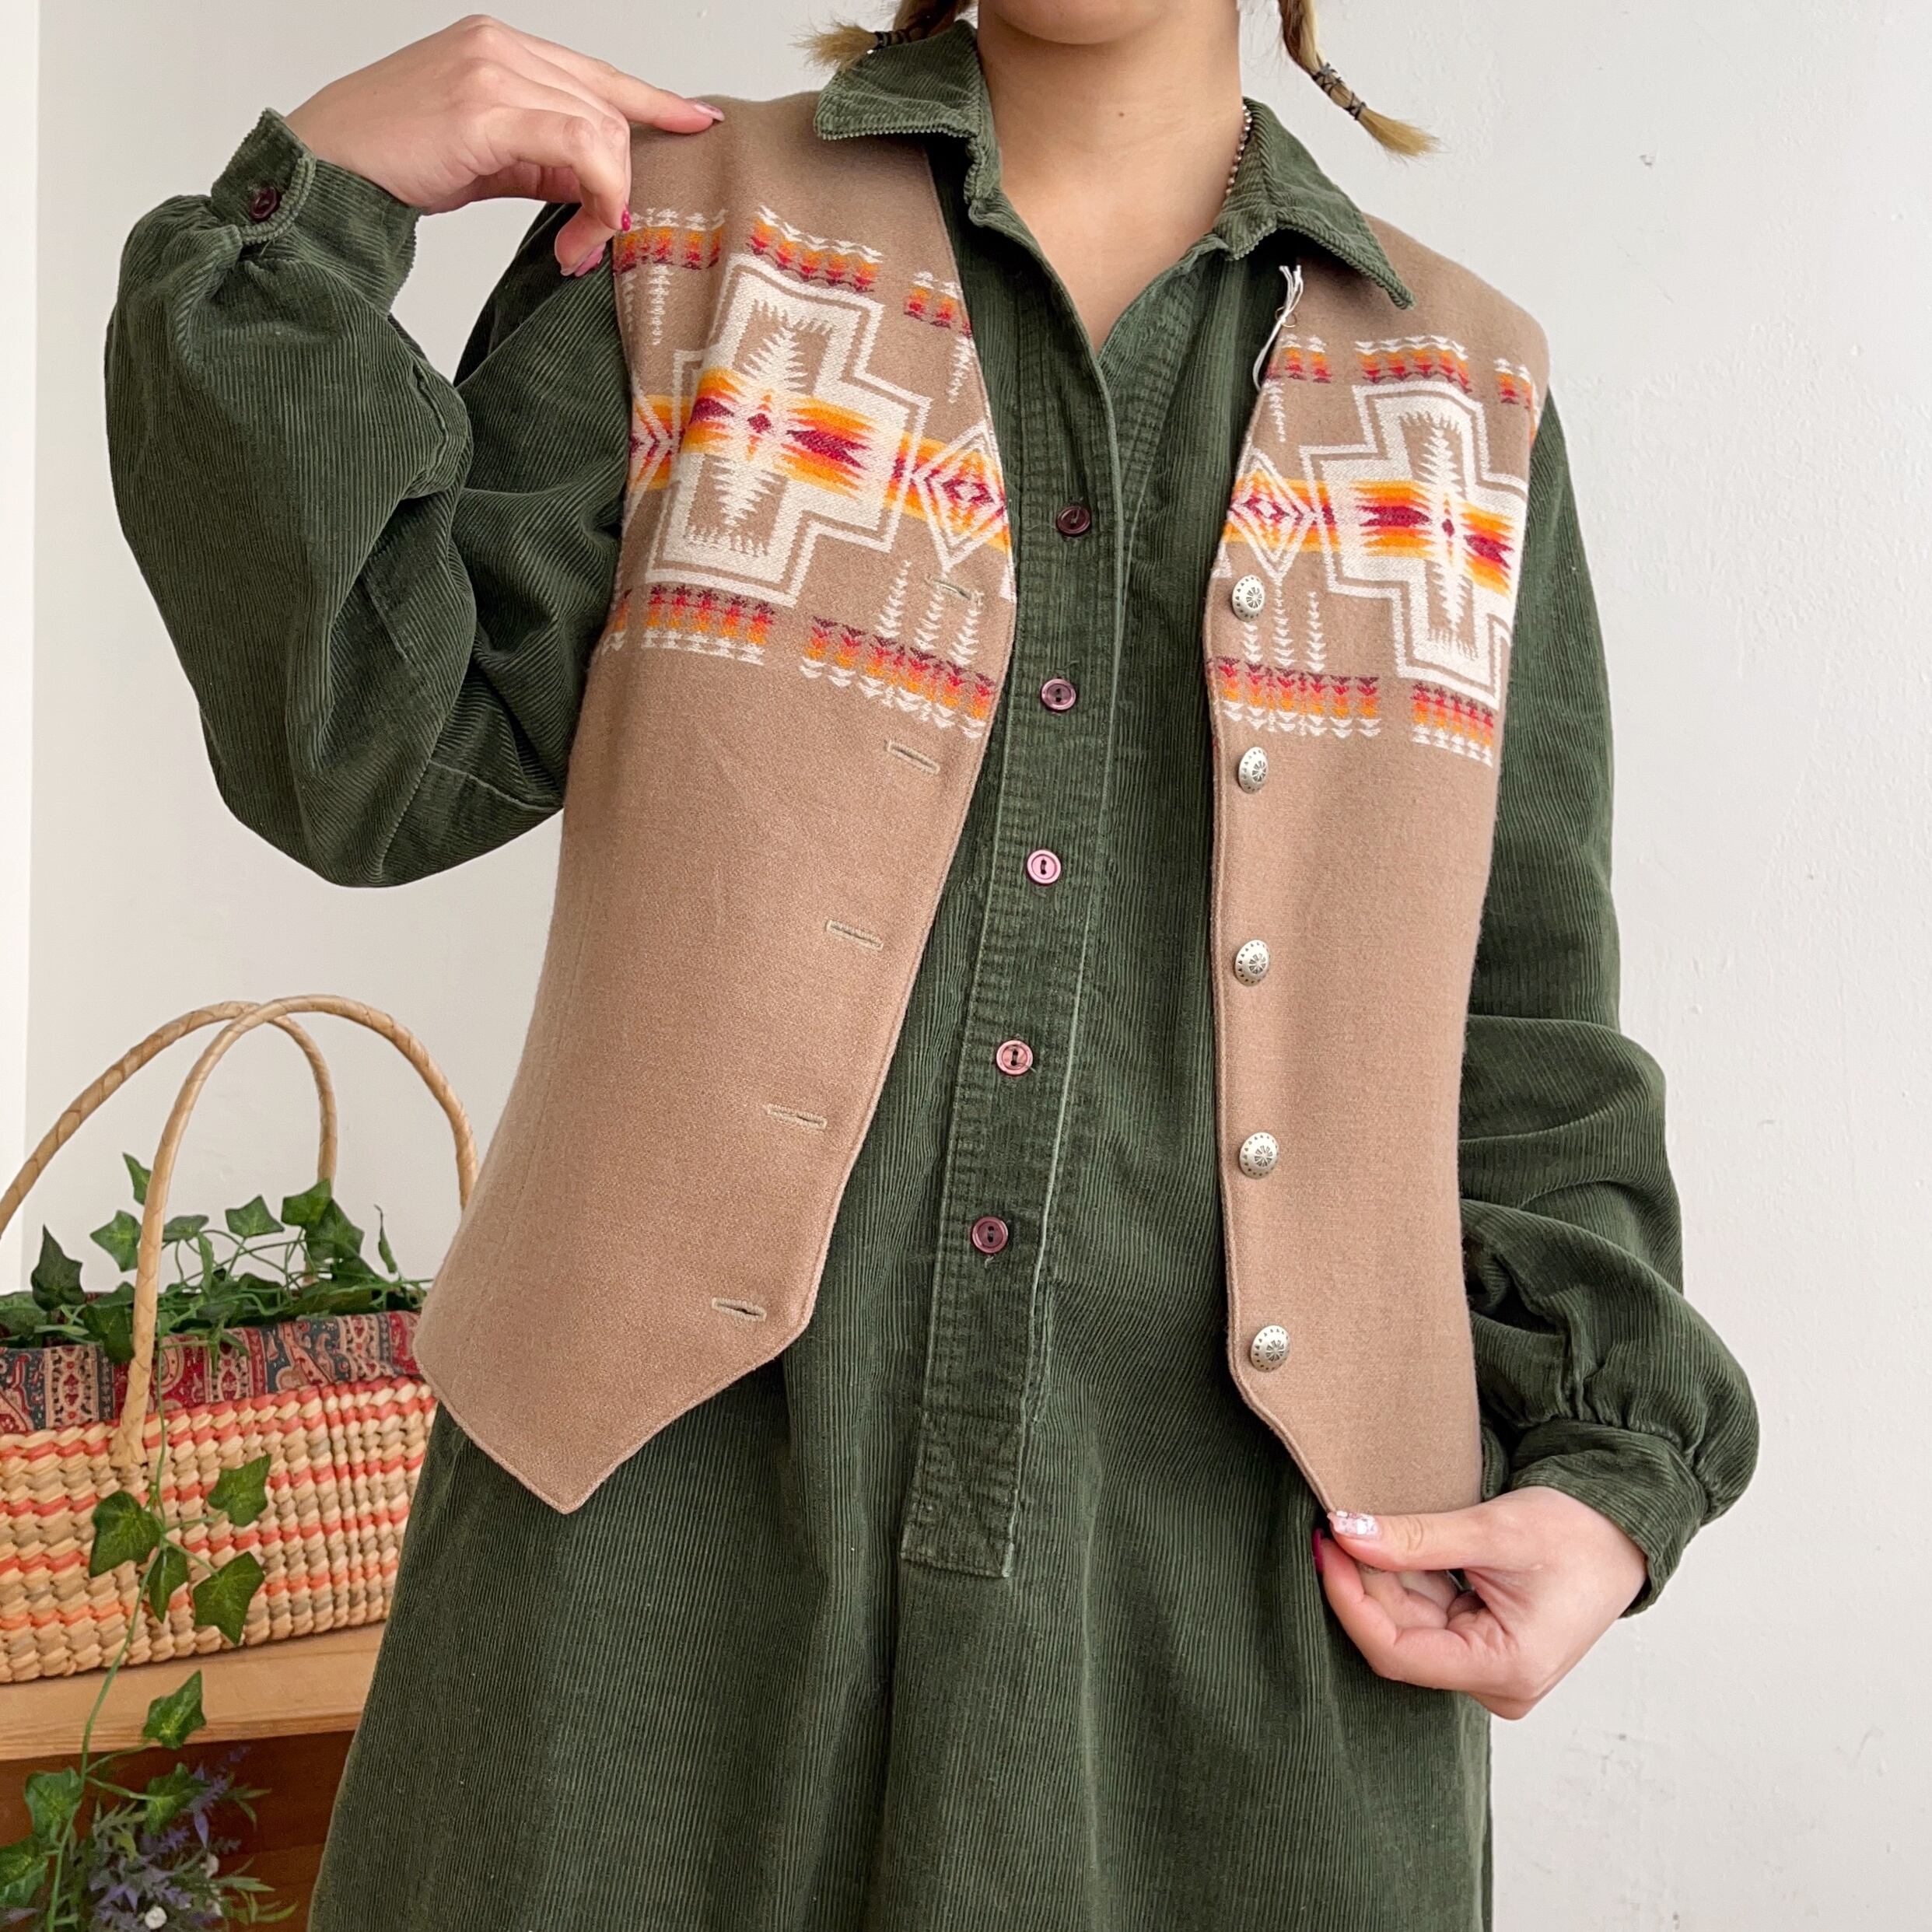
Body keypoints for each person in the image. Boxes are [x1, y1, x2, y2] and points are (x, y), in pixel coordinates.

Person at [103, 5, 1759, 1927]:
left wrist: (1607, 1483)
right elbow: (374, 754)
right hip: (633, 1602)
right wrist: (304, 209)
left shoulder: (1459, 396)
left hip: (1246, 1648)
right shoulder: (691, 240)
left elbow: (1519, 1021)